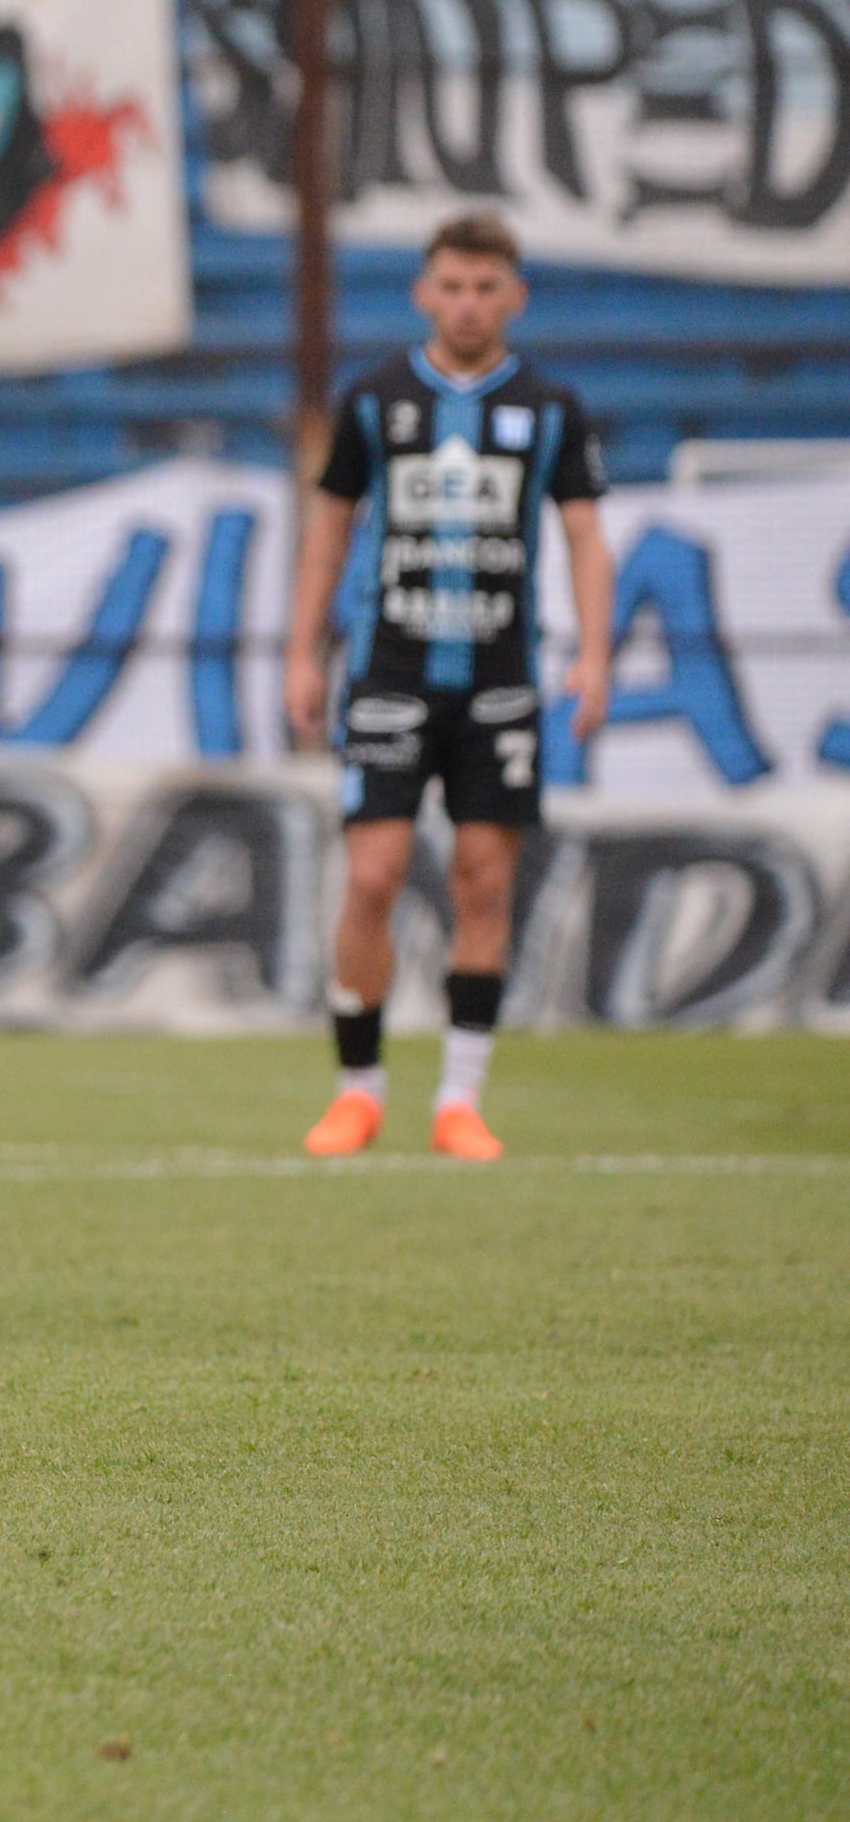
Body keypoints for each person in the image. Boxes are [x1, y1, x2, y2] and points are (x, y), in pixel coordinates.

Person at [282, 212, 612, 1166]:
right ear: (424, 293)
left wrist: (592, 653)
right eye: (452, 287)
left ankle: (460, 1100)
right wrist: (303, 653)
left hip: (502, 681)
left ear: (516, 296)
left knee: (484, 877)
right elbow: (330, 530)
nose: (469, 305)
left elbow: (586, 535)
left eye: (487, 288)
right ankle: (358, 1093)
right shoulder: (375, 400)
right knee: (375, 874)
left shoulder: (550, 407)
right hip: (389, 675)